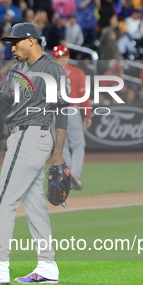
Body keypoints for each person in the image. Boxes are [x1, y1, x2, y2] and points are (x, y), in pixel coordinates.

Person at [0, 22, 68, 285]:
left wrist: (58, 154)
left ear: (32, 41)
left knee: (3, 199)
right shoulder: (17, 70)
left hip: (32, 134)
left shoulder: (52, 69)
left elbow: (62, 110)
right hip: (23, 135)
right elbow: (4, 101)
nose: (12, 46)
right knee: (34, 204)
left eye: (16, 41)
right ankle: (47, 266)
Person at [51, 45, 90, 190]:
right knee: (78, 144)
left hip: (55, 111)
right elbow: (84, 95)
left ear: (54, 58)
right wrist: (88, 114)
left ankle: (67, 176)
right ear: (68, 56)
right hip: (71, 109)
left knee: (62, 147)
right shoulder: (77, 71)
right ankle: (76, 174)